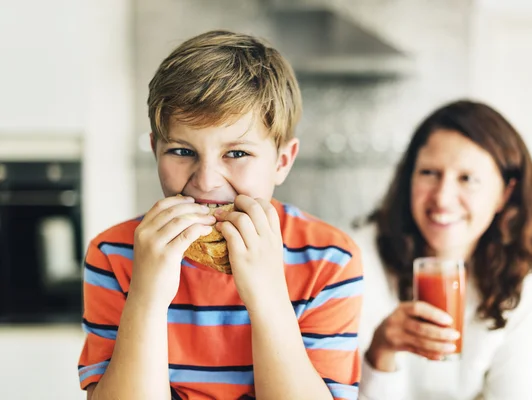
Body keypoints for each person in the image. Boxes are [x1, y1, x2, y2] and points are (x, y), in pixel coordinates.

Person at [77, 30, 363, 400]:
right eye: (182, 151)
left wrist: (266, 295)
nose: (207, 181)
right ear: (154, 150)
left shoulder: (329, 261)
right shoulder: (114, 254)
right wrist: (146, 295)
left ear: (282, 161)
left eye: (237, 153)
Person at [353, 100, 532, 400]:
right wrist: (381, 352)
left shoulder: (519, 276)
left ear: (505, 193)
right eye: (429, 173)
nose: (443, 198)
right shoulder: (356, 259)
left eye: (467, 179)